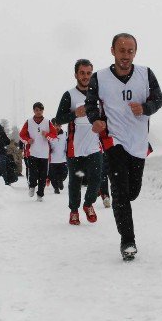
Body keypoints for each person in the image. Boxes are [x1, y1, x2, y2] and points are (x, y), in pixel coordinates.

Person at [85, 33, 162, 260]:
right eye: (122, 51)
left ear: (135, 52)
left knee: (132, 192)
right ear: (112, 51)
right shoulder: (99, 78)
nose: (126, 56)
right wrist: (95, 120)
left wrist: (146, 108)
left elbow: (159, 99)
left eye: (130, 51)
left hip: (138, 142)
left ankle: (123, 208)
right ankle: (127, 241)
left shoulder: (146, 74)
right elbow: (90, 105)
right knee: (119, 191)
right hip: (114, 140)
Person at [53, 59, 105, 225]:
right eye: (82, 73)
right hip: (74, 147)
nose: (85, 76)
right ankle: (74, 210)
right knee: (75, 181)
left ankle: (88, 204)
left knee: (97, 178)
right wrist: (75, 114)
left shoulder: (99, 95)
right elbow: (58, 119)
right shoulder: (69, 95)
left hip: (94, 146)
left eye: (89, 73)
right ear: (76, 74)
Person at [19, 102, 57, 201]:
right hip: (33, 152)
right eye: (36, 110)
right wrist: (28, 140)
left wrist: (47, 135)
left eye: (40, 110)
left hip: (44, 154)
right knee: (33, 173)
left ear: (43, 110)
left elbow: (54, 136)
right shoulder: (29, 121)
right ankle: (32, 186)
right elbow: (21, 135)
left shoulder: (48, 122)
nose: (38, 112)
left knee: (43, 176)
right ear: (34, 111)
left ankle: (40, 194)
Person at [48, 124, 68, 194]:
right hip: (52, 160)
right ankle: (56, 188)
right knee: (53, 176)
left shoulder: (65, 134)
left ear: (61, 126)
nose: (57, 127)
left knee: (64, 174)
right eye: (55, 126)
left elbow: (68, 144)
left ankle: (60, 181)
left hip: (63, 159)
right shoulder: (49, 135)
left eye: (58, 125)